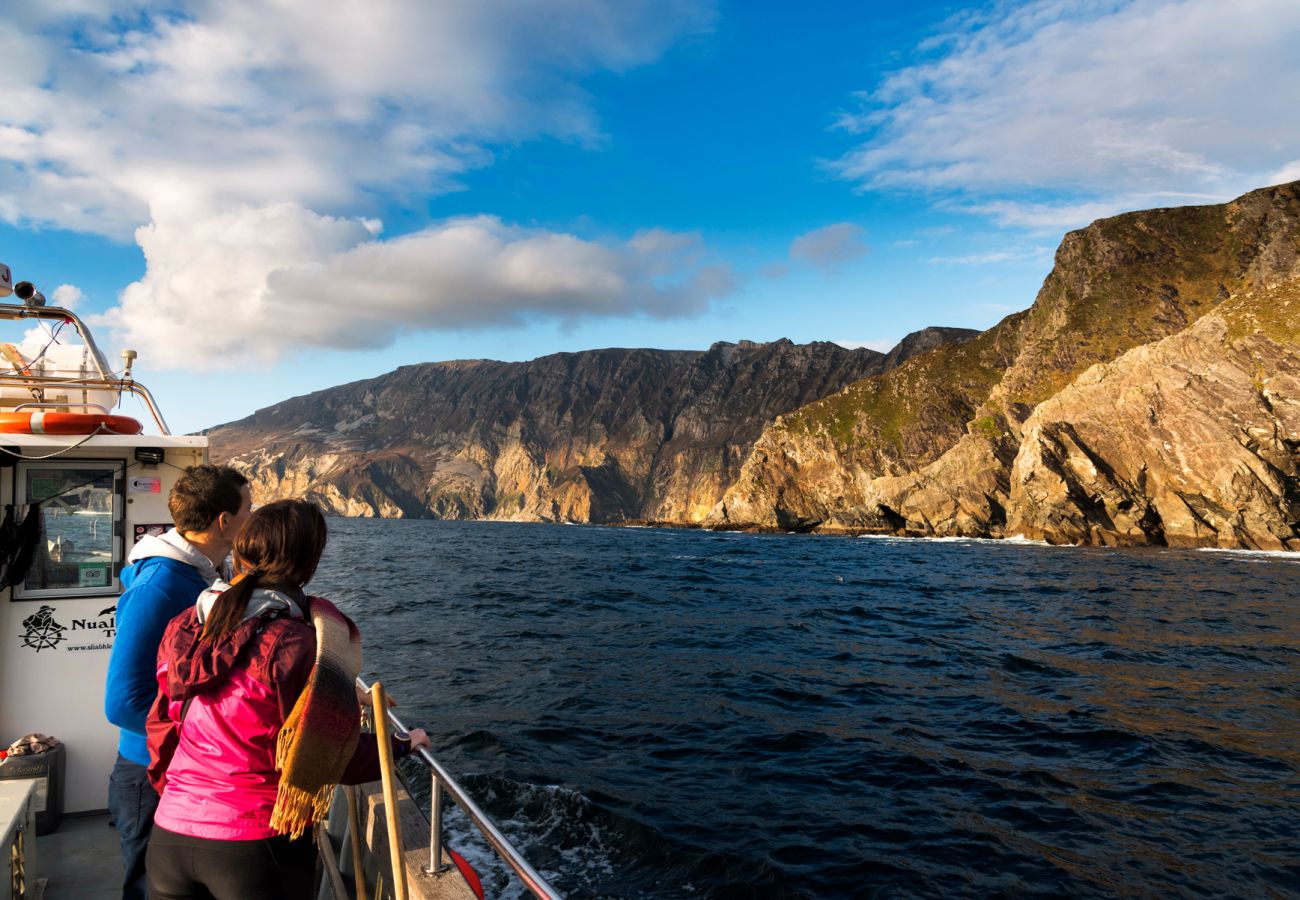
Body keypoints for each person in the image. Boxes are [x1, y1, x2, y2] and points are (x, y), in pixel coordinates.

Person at [144, 499, 429, 900]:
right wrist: (401, 744)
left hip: (169, 836)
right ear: (307, 564)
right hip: (254, 844)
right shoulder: (295, 643)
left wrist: (171, 791)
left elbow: (161, 721)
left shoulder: (187, 626)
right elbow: (324, 750)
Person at [103, 464, 252, 900]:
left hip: (177, 767)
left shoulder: (203, 573)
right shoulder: (161, 585)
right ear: (224, 521)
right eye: (248, 509)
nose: (252, 518)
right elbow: (123, 701)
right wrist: (210, 735)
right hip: (150, 772)